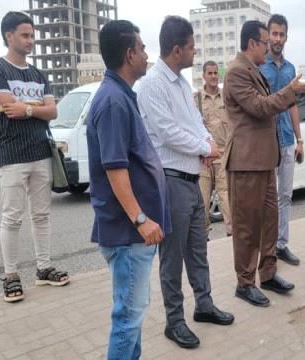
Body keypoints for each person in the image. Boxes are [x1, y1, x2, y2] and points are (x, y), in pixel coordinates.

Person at [136, 16, 234, 349]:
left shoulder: (180, 84)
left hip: (193, 178)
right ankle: (174, 321)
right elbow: (167, 132)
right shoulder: (151, 85)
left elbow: (195, 123)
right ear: (177, 49)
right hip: (172, 181)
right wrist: (204, 147)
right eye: (191, 46)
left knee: (197, 249)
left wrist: (206, 143)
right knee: (172, 256)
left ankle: (204, 305)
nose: (195, 52)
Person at [87, 19, 168, 359]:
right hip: (127, 232)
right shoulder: (113, 102)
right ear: (129, 53)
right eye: (143, 48)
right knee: (127, 318)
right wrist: (140, 219)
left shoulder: (120, 96)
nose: (147, 54)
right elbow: (115, 169)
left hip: (131, 234)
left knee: (132, 317)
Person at [223, 20, 305, 307]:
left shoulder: (252, 71)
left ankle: (269, 273)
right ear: (253, 43)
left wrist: (288, 93)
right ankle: (245, 282)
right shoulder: (238, 72)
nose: (268, 46)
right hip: (246, 162)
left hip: (264, 162)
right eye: (265, 42)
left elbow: (269, 104)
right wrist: (290, 92)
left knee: (270, 222)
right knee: (247, 226)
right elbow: (260, 108)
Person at [0, 11, 69, 304]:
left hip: (40, 151)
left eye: (32, 35)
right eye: (25, 35)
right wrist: (37, 107)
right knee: (12, 216)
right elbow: (7, 104)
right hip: (11, 153)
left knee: (42, 214)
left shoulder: (38, 74)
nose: (31, 40)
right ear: (9, 36)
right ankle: (10, 276)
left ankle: (43, 267)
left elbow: (54, 111)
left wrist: (28, 109)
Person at [259, 14, 303, 266]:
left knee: (285, 195)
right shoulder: (258, 67)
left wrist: (300, 139)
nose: (277, 39)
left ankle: (282, 244)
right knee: (267, 198)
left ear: (286, 37)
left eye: (281, 34)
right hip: (265, 141)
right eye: (273, 34)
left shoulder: (290, 69)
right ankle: (266, 246)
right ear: (267, 35)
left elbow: (293, 105)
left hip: (286, 140)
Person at [199, 61, 232, 236]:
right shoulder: (195, 99)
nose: (213, 76)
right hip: (204, 159)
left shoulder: (225, 97)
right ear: (203, 75)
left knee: (226, 197)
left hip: (222, 155)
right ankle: (204, 238)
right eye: (209, 73)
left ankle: (232, 235)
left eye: (215, 73)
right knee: (203, 202)